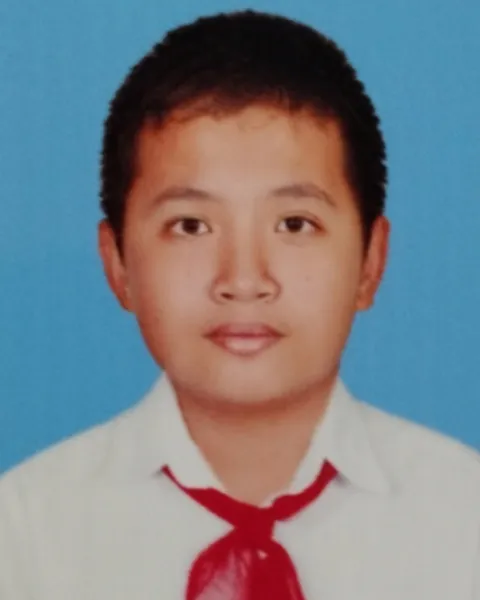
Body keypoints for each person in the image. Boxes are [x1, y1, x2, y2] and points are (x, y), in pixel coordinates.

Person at [0, 9, 479, 599]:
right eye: (191, 225)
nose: (244, 280)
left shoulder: (465, 520)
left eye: (295, 224)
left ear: (370, 262)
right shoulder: (24, 532)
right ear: (118, 264)